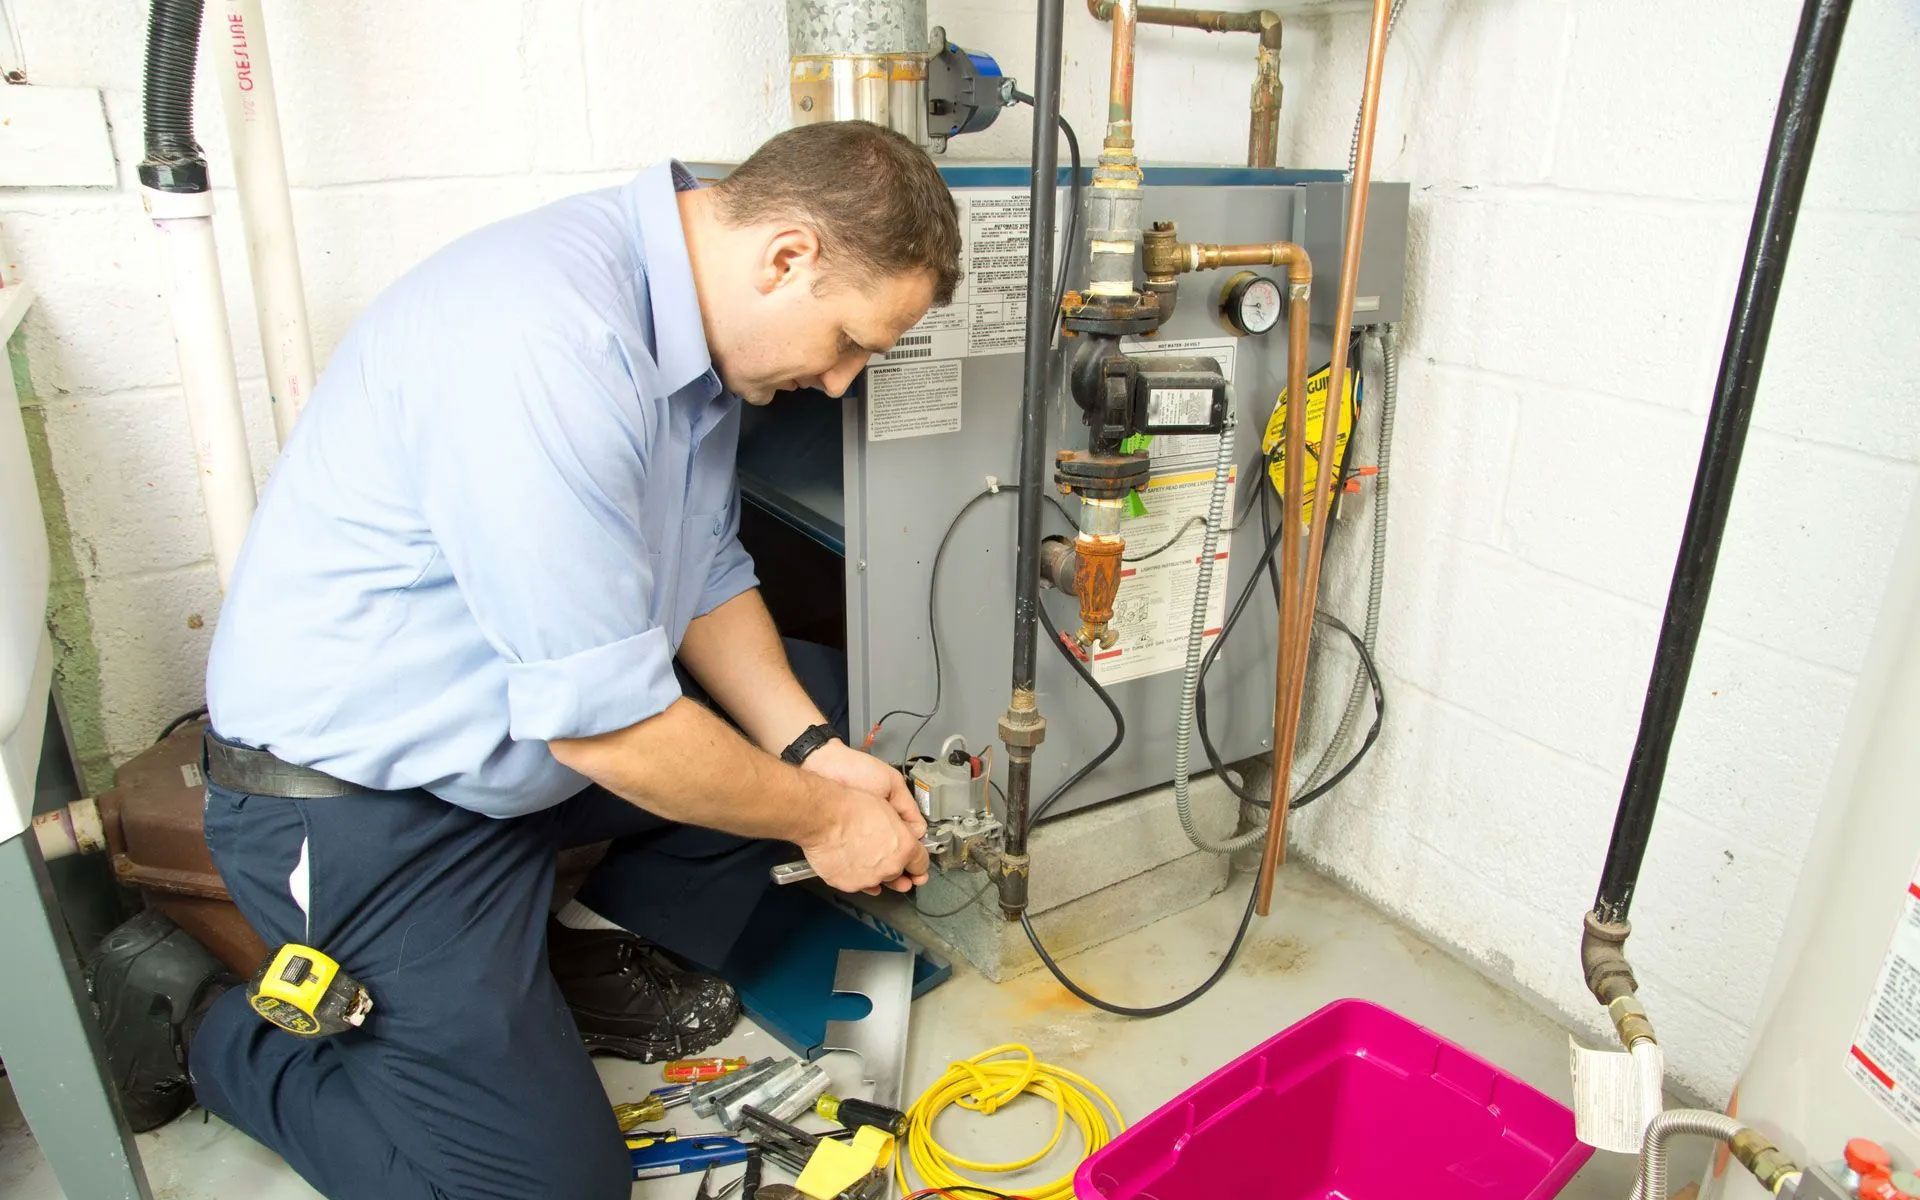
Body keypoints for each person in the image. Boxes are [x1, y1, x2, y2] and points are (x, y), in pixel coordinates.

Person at [88, 120, 962, 1199]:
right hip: (366, 810)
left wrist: (816, 753)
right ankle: (213, 1032)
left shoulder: (686, 326)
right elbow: (615, 730)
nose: (841, 382)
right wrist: (828, 820)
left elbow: (700, 571)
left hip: (517, 753)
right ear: (788, 257)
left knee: (817, 700)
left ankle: (581, 962)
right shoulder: (546, 339)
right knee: (548, 1190)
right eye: (849, 342)